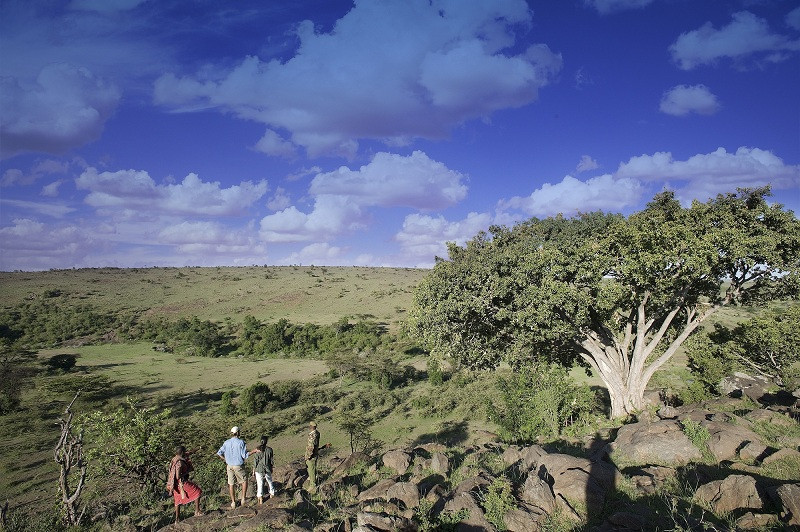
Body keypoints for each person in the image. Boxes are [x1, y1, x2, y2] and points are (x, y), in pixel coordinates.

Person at [217, 426, 257, 508]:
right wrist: (254, 451)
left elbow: (219, 453)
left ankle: (233, 502)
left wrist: (225, 459)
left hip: (229, 465)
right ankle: (243, 499)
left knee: (231, 483)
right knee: (244, 481)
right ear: (238, 432)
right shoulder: (241, 442)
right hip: (238, 465)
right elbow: (244, 455)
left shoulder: (226, 442)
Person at [166, 445, 203, 523]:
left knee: (177, 500)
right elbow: (178, 476)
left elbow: (190, 452)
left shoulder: (175, 458)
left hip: (174, 484)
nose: (186, 452)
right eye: (185, 451)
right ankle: (197, 511)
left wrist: (199, 448)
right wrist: (188, 471)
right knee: (197, 491)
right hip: (181, 483)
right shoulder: (179, 462)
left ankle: (177, 519)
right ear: (182, 452)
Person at [251, 435, 275, 504]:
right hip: (267, 468)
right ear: (266, 441)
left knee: (260, 483)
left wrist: (253, 471)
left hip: (259, 469)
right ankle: (272, 493)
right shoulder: (270, 449)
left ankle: (260, 497)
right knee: (269, 481)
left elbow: (255, 462)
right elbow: (271, 461)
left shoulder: (257, 450)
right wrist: (271, 468)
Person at [305, 421, 320, 493]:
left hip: (311, 455)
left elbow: (311, 446)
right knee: (312, 469)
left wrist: (308, 456)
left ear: (311, 426)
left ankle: (312, 486)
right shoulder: (317, 433)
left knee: (311, 470)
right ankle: (313, 480)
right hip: (315, 454)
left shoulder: (312, 435)